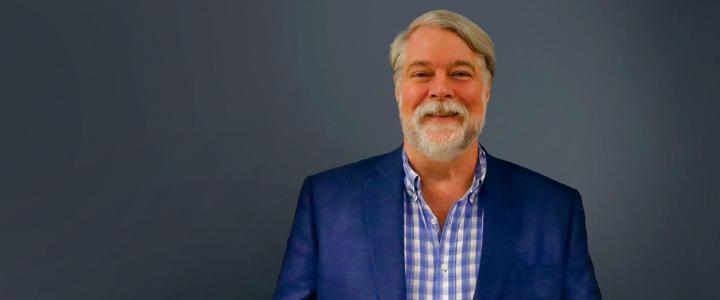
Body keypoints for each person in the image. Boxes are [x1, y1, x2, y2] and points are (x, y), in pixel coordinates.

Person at [273, 9, 601, 300]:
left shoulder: (555, 212)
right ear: (398, 90)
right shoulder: (327, 204)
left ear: (486, 90)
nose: (441, 89)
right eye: (421, 73)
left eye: (460, 73)